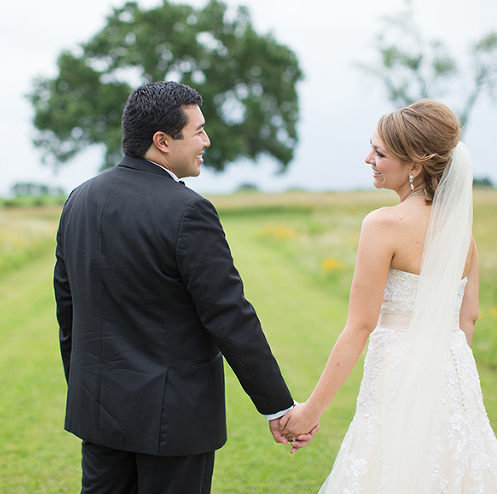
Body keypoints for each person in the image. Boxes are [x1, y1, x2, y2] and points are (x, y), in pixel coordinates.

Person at [54, 81, 310, 494]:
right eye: (198, 131)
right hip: (172, 420)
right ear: (162, 141)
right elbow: (228, 315)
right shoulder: (189, 211)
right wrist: (278, 406)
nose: (207, 141)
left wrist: (89, 389)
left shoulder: (79, 200)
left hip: (98, 409)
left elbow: (68, 312)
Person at [278, 100, 497, 492]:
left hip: (396, 371)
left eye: (379, 152)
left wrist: (312, 410)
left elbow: (360, 326)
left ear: (415, 166)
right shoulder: (463, 235)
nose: (367, 159)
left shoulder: (382, 225)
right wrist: (443, 373)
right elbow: (468, 317)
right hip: (452, 373)